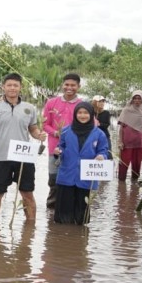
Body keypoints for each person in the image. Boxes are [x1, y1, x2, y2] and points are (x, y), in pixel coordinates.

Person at [0, 73, 46, 221]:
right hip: (1, 156)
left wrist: (39, 135)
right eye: (9, 85)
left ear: (20, 88)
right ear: (3, 87)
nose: (12, 88)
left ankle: (30, 228)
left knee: (27, 193)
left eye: (15, 85)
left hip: (24, 157)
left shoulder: (29, 108)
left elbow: (33, 129)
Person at [53, 101, 109, 224]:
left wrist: (101, 156)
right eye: (79, 113)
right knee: (63, 216)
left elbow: (104, 151)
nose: (82, 115)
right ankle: (63, 238)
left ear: (91, 115)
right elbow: (61, 147)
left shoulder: (99, 134)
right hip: (67, 174)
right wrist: (58, 151)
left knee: (81, 217)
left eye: (85, 113)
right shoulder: (66, 130)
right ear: (75, 114)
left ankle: (79, 238)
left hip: (86, 177)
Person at [42, 73, 82, 206]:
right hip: (54, 148)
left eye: (73, 85)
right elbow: (44, 124)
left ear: (78, 87)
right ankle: (51, 213)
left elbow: (88, 126)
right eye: (66, 84)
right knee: (53, 180)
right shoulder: (51, 102)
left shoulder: (82, 105)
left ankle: (67, 209)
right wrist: (55, 133)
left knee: (72, 180)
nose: (69, 87)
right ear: (62, 86)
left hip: (74, 150)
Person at [116, 90, 142, 181]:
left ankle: (134, 183)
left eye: (139, 98)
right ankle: (121, 184)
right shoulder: (127, 109)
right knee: (124, 163)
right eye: (135, 98)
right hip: (127, 141)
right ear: (132, 99)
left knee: (137, 163)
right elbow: (121, 128)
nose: (137, 100)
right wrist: (120, 141)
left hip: (139, 141)